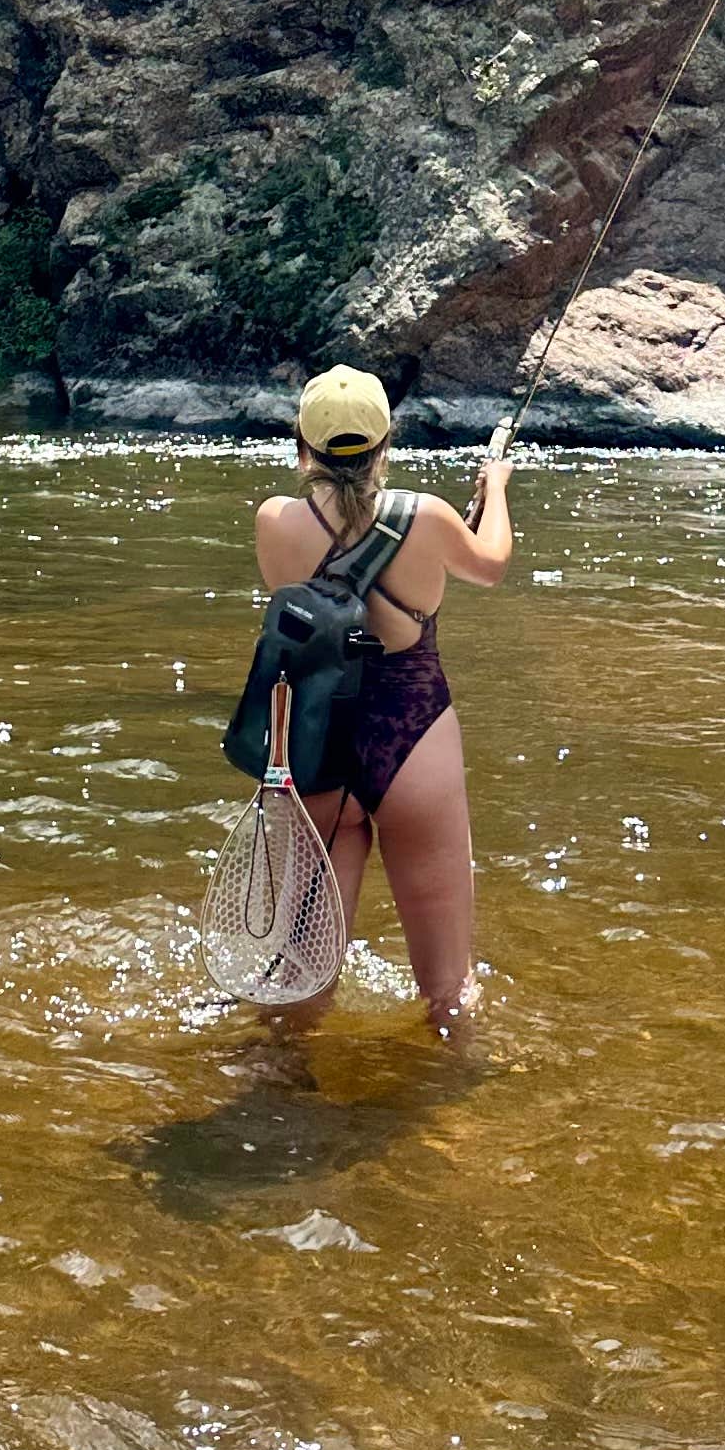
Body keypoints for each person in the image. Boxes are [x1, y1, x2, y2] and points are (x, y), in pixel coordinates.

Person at [255, 363, 511, 1026]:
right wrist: (495, 490)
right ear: (385, 444)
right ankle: (453, 1091)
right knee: (449, 990)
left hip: (318, 744)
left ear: (303, 447)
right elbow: (490, 565)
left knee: (303, 982)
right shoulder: (427, 517)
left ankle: (282, 1076)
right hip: (413, 734)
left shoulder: (273, 522)